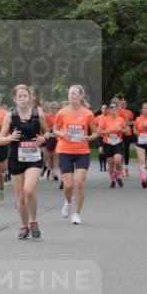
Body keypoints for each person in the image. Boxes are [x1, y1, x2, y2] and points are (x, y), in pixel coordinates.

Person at [0, 85, 48, 238]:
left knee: (29, 190)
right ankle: (24, 226)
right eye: (19, 96)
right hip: (15, 158)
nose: (22, 99)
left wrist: (43, 138)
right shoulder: (10, 116)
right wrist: (10, 138)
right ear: (15, 99)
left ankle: (33, 221)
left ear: (30, 97)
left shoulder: (38, 114)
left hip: (34, 158)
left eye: (25, 96)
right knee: (20, 196)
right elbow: (0, 139)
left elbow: (48, 132)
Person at [53, 85, 98, 225]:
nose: (71, 96)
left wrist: (89, 138)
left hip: (82, 152)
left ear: (80, 96)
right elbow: (55, 130)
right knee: (67, 186)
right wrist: (62, 134)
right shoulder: (62, 112)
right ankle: (68, 201)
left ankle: (77, 214)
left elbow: (95, 133)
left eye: (73, 93)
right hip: (65, 150)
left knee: (79, 183)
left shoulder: (88, 114)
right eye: (69, 93)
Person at [96, 100, 126, 188]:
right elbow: (98, 131)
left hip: (118, 142)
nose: (113, 109)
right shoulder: (104, 119)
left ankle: (118, 176)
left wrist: (121, 130)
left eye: (114, 107)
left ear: (117, 109)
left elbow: (126, 130)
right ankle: (113, 180)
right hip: (107, 143)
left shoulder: (121, 119)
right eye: (111, 107)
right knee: (110, 163)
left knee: (117, 160)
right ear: (109, 109)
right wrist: (106, 131)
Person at [116, 94, 134, 177]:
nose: (123, 105)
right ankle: (121, 169)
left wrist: (127, 123)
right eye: (121, 103)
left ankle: (126, 168)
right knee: (120, 151)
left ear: (126, 105)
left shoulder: (129, 112)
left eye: (124, 104)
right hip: (119, 133)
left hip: (127, 133)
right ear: (119, 104)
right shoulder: (117, 111)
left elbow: (132, 121)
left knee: (126, 150)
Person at [43, 102, 59, 181]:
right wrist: (50, 128)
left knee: (55, 156)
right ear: (50, 108)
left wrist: (57, 129)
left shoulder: (59, 116)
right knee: (50, 156)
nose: (54, 109)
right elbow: (44, 127)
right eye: (52, 107)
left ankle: (54, 173)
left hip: (57, 138)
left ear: (58, 108)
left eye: (55, 107)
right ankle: (49, 170)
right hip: (49, 137)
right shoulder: (46, 116)